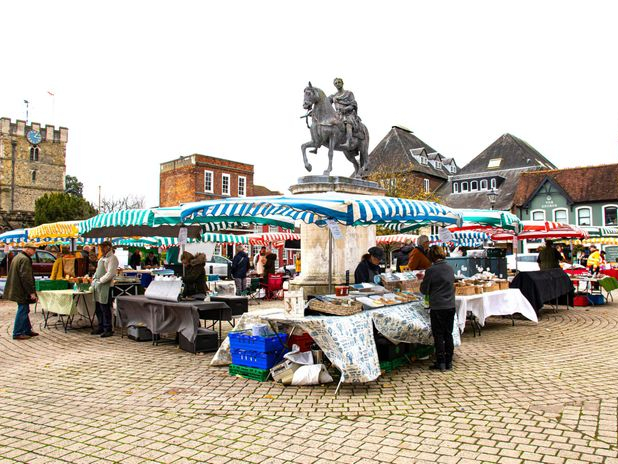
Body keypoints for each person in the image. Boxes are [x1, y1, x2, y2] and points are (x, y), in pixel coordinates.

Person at [420, 246, 456, 372]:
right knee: (448, 334)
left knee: (439, 334)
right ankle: (449, 361)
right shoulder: (450, 268)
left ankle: (441, 362)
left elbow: (424, 290)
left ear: (432, 256)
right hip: (450, 305)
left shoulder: (431, 270)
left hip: (438, 306)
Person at [4, 245, 39, 340]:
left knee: (24, 309)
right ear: (27, 249)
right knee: (23, 309)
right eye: (33, 249)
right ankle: (17, 332)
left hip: (18, 288)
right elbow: (26, 277)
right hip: (21, 290)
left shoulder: (18, 257)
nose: (34, 252)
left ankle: (27, 330)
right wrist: (31, 292)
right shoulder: (24, 259)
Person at [92, 241, 119, 338]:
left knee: (105, 308)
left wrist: (100, 281)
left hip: (106, 287)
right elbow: (97, 271)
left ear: (108, 247)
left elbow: (110, 273)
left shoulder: (112, 258)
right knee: (98, 308)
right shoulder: (102, 258)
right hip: (98, 286)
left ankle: (108, 328)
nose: (101, 249)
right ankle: (101, 326)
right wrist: (94, 279)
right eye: (100, 248)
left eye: (103, 247)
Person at [329, 77, 360, 149]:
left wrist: (346, 109)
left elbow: (353, 104)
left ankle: (348, 142)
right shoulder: (333, 96)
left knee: (348, 123)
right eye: (336, 83)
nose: (337, 84)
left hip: (348, 114)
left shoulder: (349, 93)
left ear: (342, 83)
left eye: (339, 82)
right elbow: (325, 103)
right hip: (338, 115)